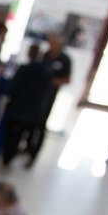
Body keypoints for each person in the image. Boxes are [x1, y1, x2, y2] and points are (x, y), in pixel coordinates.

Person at [2, 44, 53, 168]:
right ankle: (15, 156)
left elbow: (13, 88)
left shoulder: (24, 69)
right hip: (33, 112)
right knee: (24, 135)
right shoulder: (46, 72)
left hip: (18, 109)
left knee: (13, 135)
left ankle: (7, 159)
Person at [28, 33, 73, 166]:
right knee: (31, 122)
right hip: (37, 94)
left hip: (49, 96)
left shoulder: (65, 59)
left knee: (41, 125)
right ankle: (27, 148)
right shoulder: (46, 55)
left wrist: (51, 81)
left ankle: (34, 154)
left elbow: (67, 79)